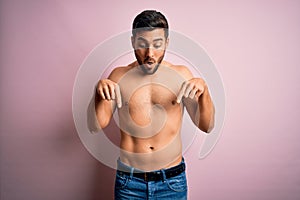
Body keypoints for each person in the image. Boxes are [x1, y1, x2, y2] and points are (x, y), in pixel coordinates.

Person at [95, 10, 215, 200]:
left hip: (172, 182)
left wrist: (205, 92)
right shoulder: (118, 76)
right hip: (129, 183)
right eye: (143, 44)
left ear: (167, 43)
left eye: (157, 45)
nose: (150, 54)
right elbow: (96, 125)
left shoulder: (182, 75)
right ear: (133, 41)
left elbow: (207, 126)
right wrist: (98, 93)